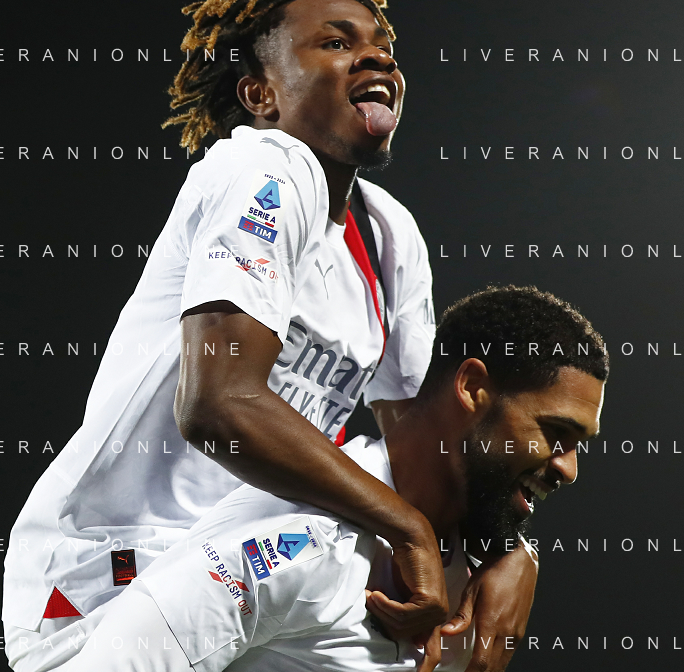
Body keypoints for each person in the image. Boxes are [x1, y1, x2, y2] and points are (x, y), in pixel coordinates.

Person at [2, 0, 538, 671]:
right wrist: (410, 530)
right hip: (119, 564)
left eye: (383, 45)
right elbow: (218, 406)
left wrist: (504, 548)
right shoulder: (260, 167)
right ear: (262, 95)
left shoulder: (389, 233)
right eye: (336, 42)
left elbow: (422, 440)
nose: (375, 57)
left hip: (264, 554)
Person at [50, 285, 609, 672]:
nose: (569, 468)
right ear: (472, 388)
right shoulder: (301, 542)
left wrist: (518, 555)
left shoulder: (483, 581)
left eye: (579, 445)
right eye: (555, 433)